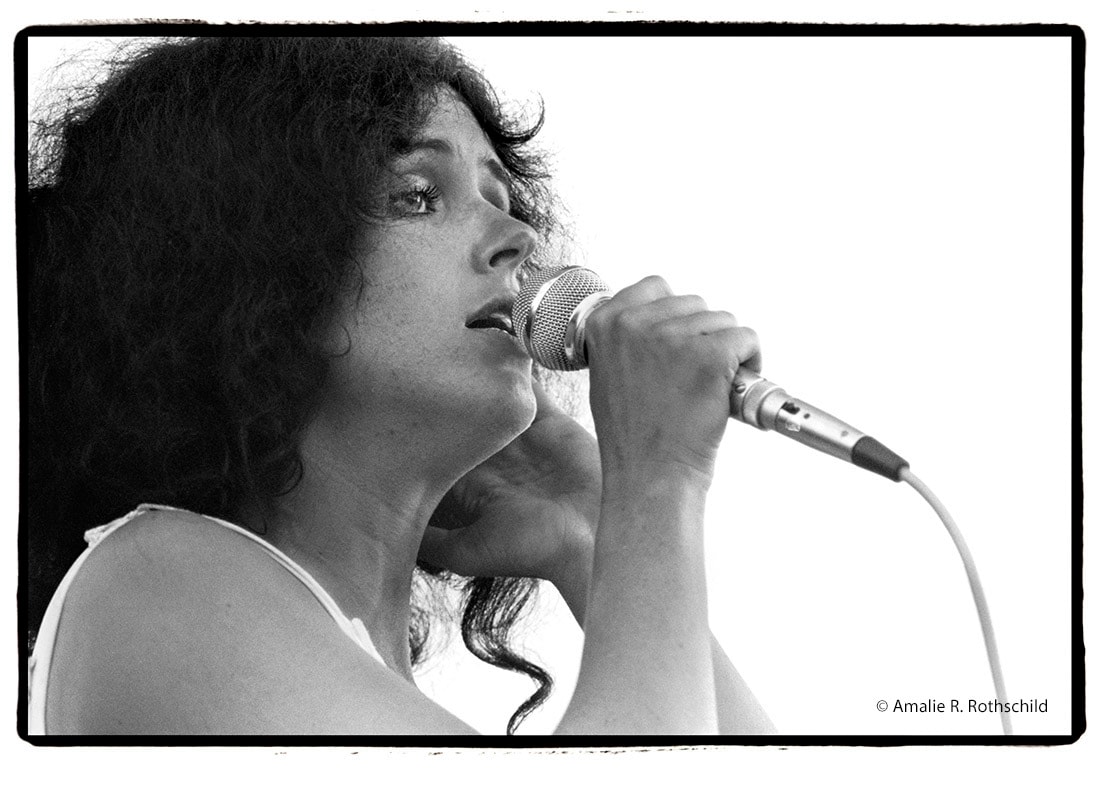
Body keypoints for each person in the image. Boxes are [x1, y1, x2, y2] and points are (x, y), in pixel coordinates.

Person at [25, 35, 774, 735]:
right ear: (248, 268)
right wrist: (659, 483)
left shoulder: (335, 669)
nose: (520, 240)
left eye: (504, 200)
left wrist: (593, 522)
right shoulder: (162, 580)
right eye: (418, 194)